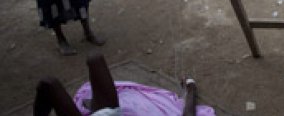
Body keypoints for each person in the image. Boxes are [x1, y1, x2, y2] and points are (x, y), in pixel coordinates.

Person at [34, 53, 215, 115]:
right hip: (111, 113)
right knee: (95, 58)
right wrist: (191, 87)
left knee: (48, 83)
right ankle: (93, 106)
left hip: (108, 112)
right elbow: (188, 113)